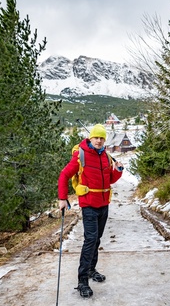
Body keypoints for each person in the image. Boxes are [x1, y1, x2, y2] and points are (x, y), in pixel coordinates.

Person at [58, 124, 124, 298]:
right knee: (90, 240)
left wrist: (117, 170)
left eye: (102, 138)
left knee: (97, 239)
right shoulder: (80, 155)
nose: (99, 140)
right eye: (96, 137)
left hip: (104, 204)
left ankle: (91, 270)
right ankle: (82, 281)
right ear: (90, 138)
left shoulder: (106, 157)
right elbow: (64, 175)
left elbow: (110, 179)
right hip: (88, 205)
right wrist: (62, 198)